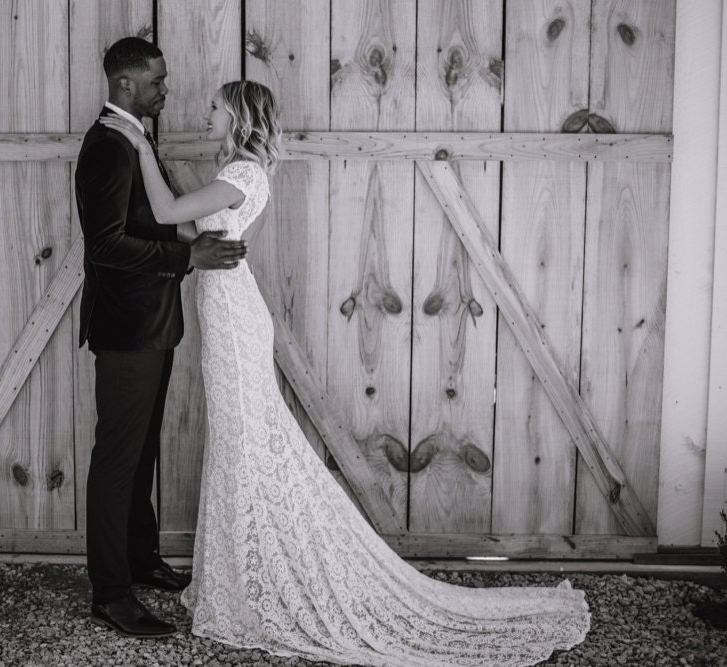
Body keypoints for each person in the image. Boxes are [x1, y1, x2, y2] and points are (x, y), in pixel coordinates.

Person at [101, 78, 592, 666]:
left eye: (213, 108)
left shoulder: (243, 174)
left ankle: (267, 579)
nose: (204, 114)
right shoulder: (237, 171)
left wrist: (136, 141)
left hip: (233, 321)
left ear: (236, 115)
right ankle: (239, 577)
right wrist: (173, 217)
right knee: (237, 445)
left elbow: (164, 210)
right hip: (227, 313)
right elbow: (190, 229)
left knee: (247, 443)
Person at [75, 36, 247, 640]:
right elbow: (104, 245)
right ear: (126, 85)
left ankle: (142, 560)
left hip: (154, 325)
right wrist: (185, 256)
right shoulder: (107, 145)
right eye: (156, 82)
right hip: (125, 329)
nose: (165, 90)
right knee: (117, 459)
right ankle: (110, 592)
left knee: (142, 450)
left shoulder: (136, 138)